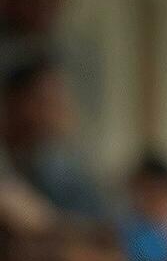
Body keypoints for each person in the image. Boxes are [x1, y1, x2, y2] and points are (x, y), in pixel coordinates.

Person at [1, 57, 104, 221]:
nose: (59, 112)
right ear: (13, 102)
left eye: (60, 100)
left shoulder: (58, 168)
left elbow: (100, 227)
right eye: (47, 101)